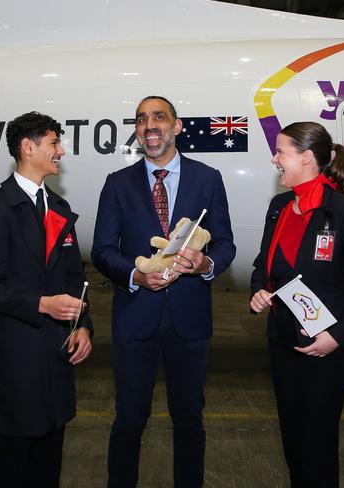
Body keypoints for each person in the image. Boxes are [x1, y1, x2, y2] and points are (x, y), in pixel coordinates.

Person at [92, 95, 236, 488]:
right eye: (141, 120)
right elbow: (102, 250)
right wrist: (136, 277)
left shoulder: (208, 179)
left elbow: (225, 244)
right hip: (135, 318)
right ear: (137, 131)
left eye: (159, 117)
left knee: (189, 419)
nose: (149, 125)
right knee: (128, 420)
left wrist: (206, 265)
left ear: (177, 126)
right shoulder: (117, 184)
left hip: (189, 321)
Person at [250, 121, 344, 488]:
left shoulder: (343, 211)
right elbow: (265, 265)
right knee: (293, 443)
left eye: (281, 151)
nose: (274, 158)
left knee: (318, 446)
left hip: (328, 351)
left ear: (307, 158)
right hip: (283, 344)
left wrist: (337, 337)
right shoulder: (279, 207)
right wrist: (259, 290)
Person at [0, 112, 93, 488]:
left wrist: (83, 326)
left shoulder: (58, 208)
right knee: (13, 467)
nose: (61, 151)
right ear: (28, 147)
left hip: (56, 358)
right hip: (18, 361)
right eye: (54, 143)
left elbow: (75, 278)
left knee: (48, 464)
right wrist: (43, 304)